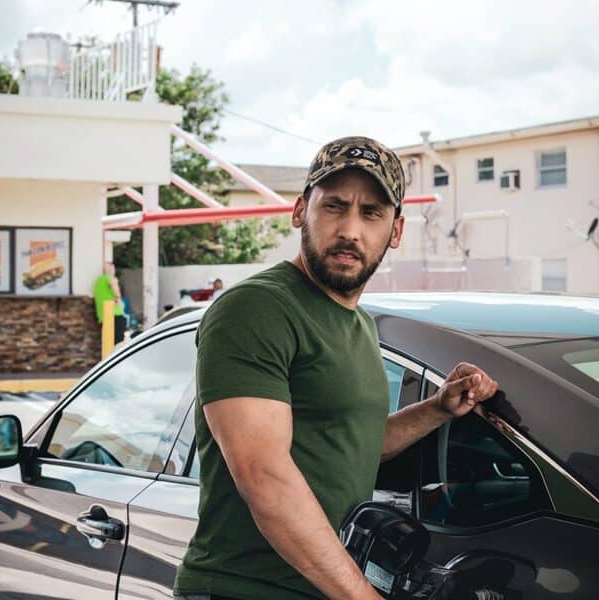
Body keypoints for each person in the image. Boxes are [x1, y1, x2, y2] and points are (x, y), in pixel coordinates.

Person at [174, 136, 498, 600]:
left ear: (396, 231)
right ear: (299, 211)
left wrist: (440, 408)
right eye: (335, 207)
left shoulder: (359, 324)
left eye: (371, 214)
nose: (351, 230)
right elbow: (263, 474)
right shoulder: (256, 308)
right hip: (243, 588)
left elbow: (354, 442)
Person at [93, 262, 126, 345]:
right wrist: (118, 297)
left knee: (108, 344)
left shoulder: (97, 281)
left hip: (103, 317)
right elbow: (113, 283)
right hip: (115, 315)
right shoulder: (109, 278)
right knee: (118, 343)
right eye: (112, 268)